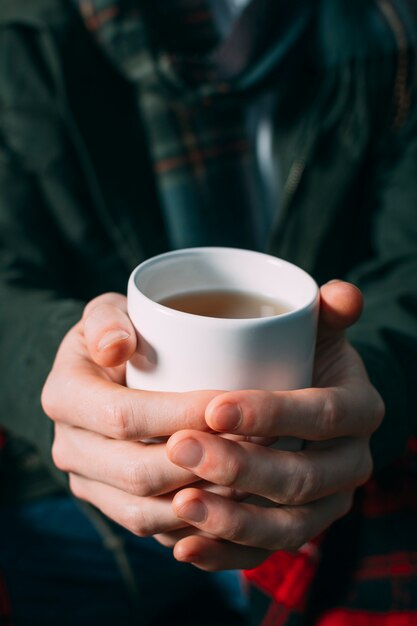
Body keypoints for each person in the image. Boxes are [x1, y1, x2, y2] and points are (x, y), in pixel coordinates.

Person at [0, 0, 416, 625]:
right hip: (66, 483)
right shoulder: (21, 30)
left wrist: (369, 386)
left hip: (339, 484)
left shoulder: (395, 28)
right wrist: (55, 370)